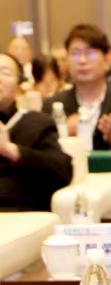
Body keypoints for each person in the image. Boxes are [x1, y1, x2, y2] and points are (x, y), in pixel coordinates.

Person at [44, 23, 111, 151]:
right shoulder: (52, 105)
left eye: (90, 53)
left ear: (107, 59)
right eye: (75, 54)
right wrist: (62, 132)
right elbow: (42, 155)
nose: (82, 60)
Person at [0, 52, 72, 211]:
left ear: (19, 85)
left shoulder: (36, 123)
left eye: (5, 72)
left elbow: (62, 171)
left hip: (19, 213)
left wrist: (11, 150)